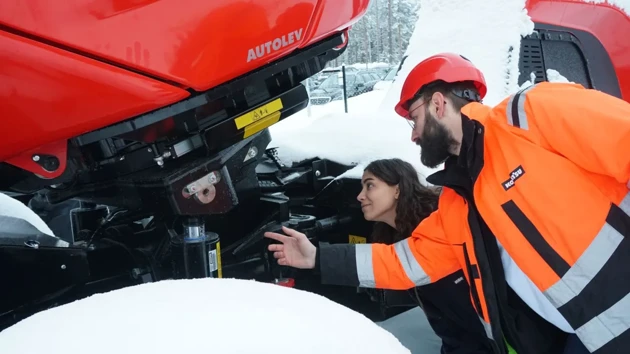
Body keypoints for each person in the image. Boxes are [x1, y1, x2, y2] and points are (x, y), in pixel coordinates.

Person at [264, 53, 630, 354]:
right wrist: (318, 257)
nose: (414, 134)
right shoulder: (458, 200)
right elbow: (406, 261)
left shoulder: (531, 114)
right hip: (583, 337)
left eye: (414, 119)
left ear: (438, 103)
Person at [357, 158, 493, 353]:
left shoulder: (439, 227)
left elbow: (468, 312)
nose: (360, 196)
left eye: (370, 185)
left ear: (397, 189)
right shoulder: (395, 238)